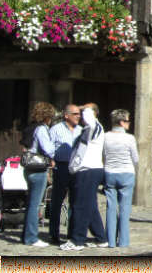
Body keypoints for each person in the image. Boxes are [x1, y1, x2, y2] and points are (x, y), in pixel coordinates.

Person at [63, 103, 107, 251]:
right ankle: (101, 238)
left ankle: (77, 240)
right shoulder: (88, 130)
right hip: (85, 170)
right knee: (90, 206)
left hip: (88, 170)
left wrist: (83, 107)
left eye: (82, 113)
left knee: (80, 206)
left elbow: (89, 115)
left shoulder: (95, 126)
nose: (80, 115)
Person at [22, 101, 56, 248]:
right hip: (38, 168)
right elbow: (48, 149)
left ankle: (26, 234)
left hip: (28, 168)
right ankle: (31, 237)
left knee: (31, 204)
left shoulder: (30, 127)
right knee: (35, 205)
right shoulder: (41, 129)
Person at [103, 109, 138, 247]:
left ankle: (110, 240)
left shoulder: (105, 136)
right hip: (126, 173)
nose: (129, 123)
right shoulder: (129, 138)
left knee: (110, 207)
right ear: (122, 122)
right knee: (125, 208)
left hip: (110, 172)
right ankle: (123, 241)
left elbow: (104, 155)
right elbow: (135, 158)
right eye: (128, 120)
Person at [48, 104, 81, 244]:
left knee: (75, 201)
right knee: (57, 201)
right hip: (61, 167)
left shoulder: (81, 130)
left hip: (76, 168)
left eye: (79, 114)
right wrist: (51, 163)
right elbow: (48, 147)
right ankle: (54, 234)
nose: (78, 116)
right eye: (75, 114)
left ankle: (71, 233)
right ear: (66, 115)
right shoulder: (56, 129)